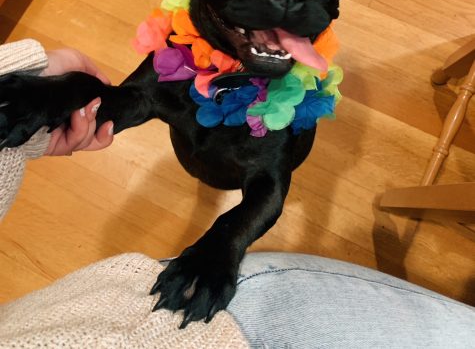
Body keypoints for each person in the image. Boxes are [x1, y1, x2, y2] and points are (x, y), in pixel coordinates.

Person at [0, 39, 474, 348]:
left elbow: (268, 190)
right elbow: (123, 102)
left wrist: (221, 245)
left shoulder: (293, 90)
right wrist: (53, 93)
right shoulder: (178, 53)